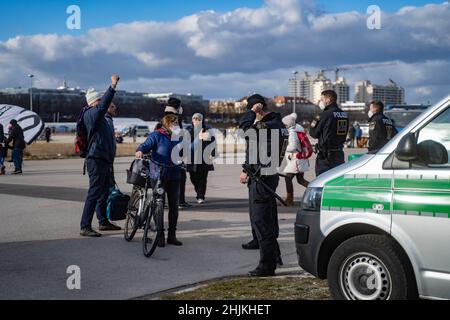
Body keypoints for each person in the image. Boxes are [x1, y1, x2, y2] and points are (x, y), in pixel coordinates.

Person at [239, 94, 286, 277]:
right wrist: (246, 168)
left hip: (262, 179)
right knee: (269, 219)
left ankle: (267, 266)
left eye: (253, 110)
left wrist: (252, 112)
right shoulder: (278, 124)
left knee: (262, 222)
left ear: (258, 109)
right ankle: (276, 256)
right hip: (267, 174)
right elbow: (255, 149)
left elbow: (244, 129)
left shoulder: (266, 125)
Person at [80, 74, 121, 237]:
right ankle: (85, 226)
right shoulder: (91, 114)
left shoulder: (101, 118)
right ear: (93, 102)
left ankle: (103, 221)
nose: (104, 104)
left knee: (104, 192)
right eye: (100, 101)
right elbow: (103, 105)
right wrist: (112, 87)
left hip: (104, 159)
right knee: (94, 192)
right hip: (95, 159)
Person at [136, 114, 184, 247]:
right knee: (159, 205)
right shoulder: (156, 135)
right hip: (158, 175)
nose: (177, 126)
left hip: (174, 174)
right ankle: (160, 234)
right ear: (168, 124)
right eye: (175, 123)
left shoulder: (178, 137)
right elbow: (145, 145)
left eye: (178, 123)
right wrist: (140, 150)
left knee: (174, 206)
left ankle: (172, 235)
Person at [309, 90, 349, 176]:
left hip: (326, 156)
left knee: (321, 181)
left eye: (322, 99)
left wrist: (313, 124)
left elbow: (314, 134)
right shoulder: (344, 114)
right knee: (336, 181)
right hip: (339, 154)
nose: (321, 102)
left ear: (328, 99)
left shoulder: (325, 114)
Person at [280, 113, 310, 206]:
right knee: (300, 180)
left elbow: (292, 147)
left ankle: (289, 200)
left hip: (296, 160)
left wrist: (282, 147)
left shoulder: (292, 133)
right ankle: (317, 190)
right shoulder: (295, 129)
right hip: (299, 159)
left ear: (287, 125)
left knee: (288, 178)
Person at [186, 113, 216, 204]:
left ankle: (200, 196)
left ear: (202, 120)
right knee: (193, 177)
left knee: (203, 178)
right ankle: (198, 190)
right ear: (192, 120)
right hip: (192, 157)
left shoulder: (207, 130)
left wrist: (212, 153)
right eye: (195, 119)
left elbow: (213, 142)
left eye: (198, 119)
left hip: (204, 157)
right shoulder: (188, 131)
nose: (196, 120)